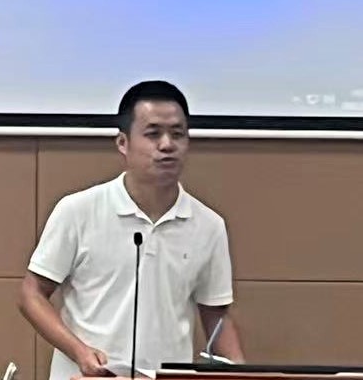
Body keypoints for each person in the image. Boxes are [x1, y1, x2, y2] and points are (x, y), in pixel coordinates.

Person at [18, 81, 245, 379]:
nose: (167, 145)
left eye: (177, 134)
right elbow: (31, 294)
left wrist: (241, 373)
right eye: (153, 134)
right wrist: (79, 350)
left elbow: (216, 315)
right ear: (123, 143)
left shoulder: (209, 225)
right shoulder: (78, 210)